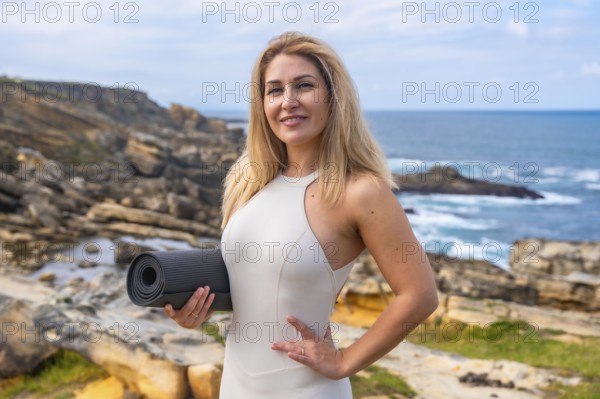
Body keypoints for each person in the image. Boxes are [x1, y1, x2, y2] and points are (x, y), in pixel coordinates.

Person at [165, 31, 439, 398]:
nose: (288, 101)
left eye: (304, 86)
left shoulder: (360, 191)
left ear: (332, 96)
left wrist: (345, 361)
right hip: (236, 386)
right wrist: (196, 312)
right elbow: (250, 282)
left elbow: (420, 295)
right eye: (275, 90)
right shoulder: (247, 181)